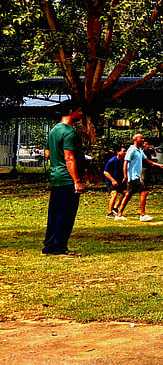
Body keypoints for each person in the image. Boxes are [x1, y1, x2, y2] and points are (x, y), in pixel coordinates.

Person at [42, 101, 85, 257]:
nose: (81, 114)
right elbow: (69, 158)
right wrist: (77, 181)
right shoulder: (69, 132)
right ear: (72, 111)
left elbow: (47, 154)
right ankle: (60, 248)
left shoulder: (54, 130)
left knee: (54, 213)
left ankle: (49, 247)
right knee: (66, 214)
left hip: (56, 176)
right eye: (79, 111)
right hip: (67, 178)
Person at [118, 133, 163, 222]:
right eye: (141, 138)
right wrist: (125, 175)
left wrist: (159, 165)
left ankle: (119, 214)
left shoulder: (139, 150)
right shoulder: (131, 150)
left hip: (136, 176)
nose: (143, 140)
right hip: (133, 177)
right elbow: (125, 162)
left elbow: (147, 161)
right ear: (136, 139)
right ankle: (143, 214)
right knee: (144, 192)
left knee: (128, 194)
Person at [103, 145, 127, 219]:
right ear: (118, 152)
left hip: (119, 181)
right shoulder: (112, 161)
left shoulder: (123, 161)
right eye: (123, 151)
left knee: (126, 194)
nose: (124, 153)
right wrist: (112, 180)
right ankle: (110, 213)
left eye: (125, 151)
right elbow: (105, 172)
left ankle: (115, 207)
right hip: (110, 181)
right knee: (114, 194)